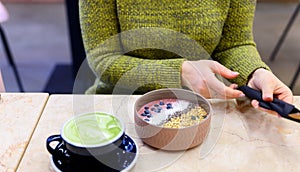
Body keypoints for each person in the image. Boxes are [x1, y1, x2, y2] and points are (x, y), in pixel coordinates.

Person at [79, 0, 293, 112]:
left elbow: (233, 44)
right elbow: (103, 58)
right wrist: (179, 72)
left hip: (204, 105)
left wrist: (254, 73)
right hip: (120, 101)